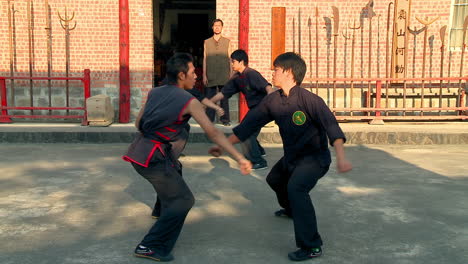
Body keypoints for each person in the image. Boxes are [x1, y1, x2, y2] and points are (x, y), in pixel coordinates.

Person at [209, 52, 352, 261]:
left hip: (315, 158)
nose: (272, 72)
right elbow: (248, 126)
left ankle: (311, 246)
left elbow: (332, 128)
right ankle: (292, 209)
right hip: (292, 158)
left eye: (276, 69)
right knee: (274, 179)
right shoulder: (272, 101)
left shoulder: (310, 100)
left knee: (297, 188)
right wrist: (223, 147)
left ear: (289, 72)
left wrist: (341, 157)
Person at [123, 53, 251, 262]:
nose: (196, 77)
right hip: (154, 159)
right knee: (183, 200)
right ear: (182, 75)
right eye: (193, 72)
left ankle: (161, 210)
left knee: (176, 169)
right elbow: (214, 133)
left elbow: (139, 123)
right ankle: (150, 246)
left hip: (139, 152)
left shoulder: (154, 92)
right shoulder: (189, 101)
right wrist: (239, 157)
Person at [210, 49, 275, 170]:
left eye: (233, 61)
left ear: (241, 62)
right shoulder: (237, 78)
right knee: (249, 130)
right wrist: (208, 102)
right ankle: (259, 151)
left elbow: (267, 87)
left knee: (246, 132)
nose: (232, 64)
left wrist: (270, 100)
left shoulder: (251, 73)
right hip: (255, 110)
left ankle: (259, 161)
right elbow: (224, 93)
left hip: (263, 108)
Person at [203, 18, 232, 126]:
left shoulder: (227, 41)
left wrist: (231, 73)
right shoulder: (207, 42)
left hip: (224, 73)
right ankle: (209, 120)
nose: (217, 27)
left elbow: (230, 58)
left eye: (219, 25)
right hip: (210, 73)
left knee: (224, 97)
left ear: (222, 27)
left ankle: (225, 120)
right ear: (212, 27)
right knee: (210, 97)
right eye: (215, 25)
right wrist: (204, 74)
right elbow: (205, 58)